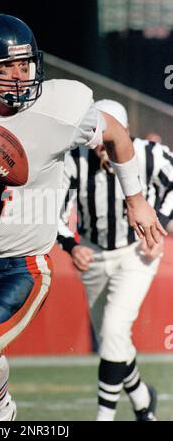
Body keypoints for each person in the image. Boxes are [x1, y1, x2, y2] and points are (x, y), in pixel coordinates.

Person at [0, 14, 166, 422]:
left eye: (25, 64)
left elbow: (117, 135)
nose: (19, 76)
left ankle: (0, 409)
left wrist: (136, 199)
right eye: (5, 67)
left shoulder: (61, 105)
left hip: (24, 264)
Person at [57, 99, 173, 421]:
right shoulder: (75, 159)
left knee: (112, 330)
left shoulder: (148, 154)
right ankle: (141, 400)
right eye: (99, 141)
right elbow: (51, 207)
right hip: (94, 254)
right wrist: (69, 244)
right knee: (114, 338)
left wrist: (159, 224)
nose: (103, 149)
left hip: (137, 252)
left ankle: (104, 417)